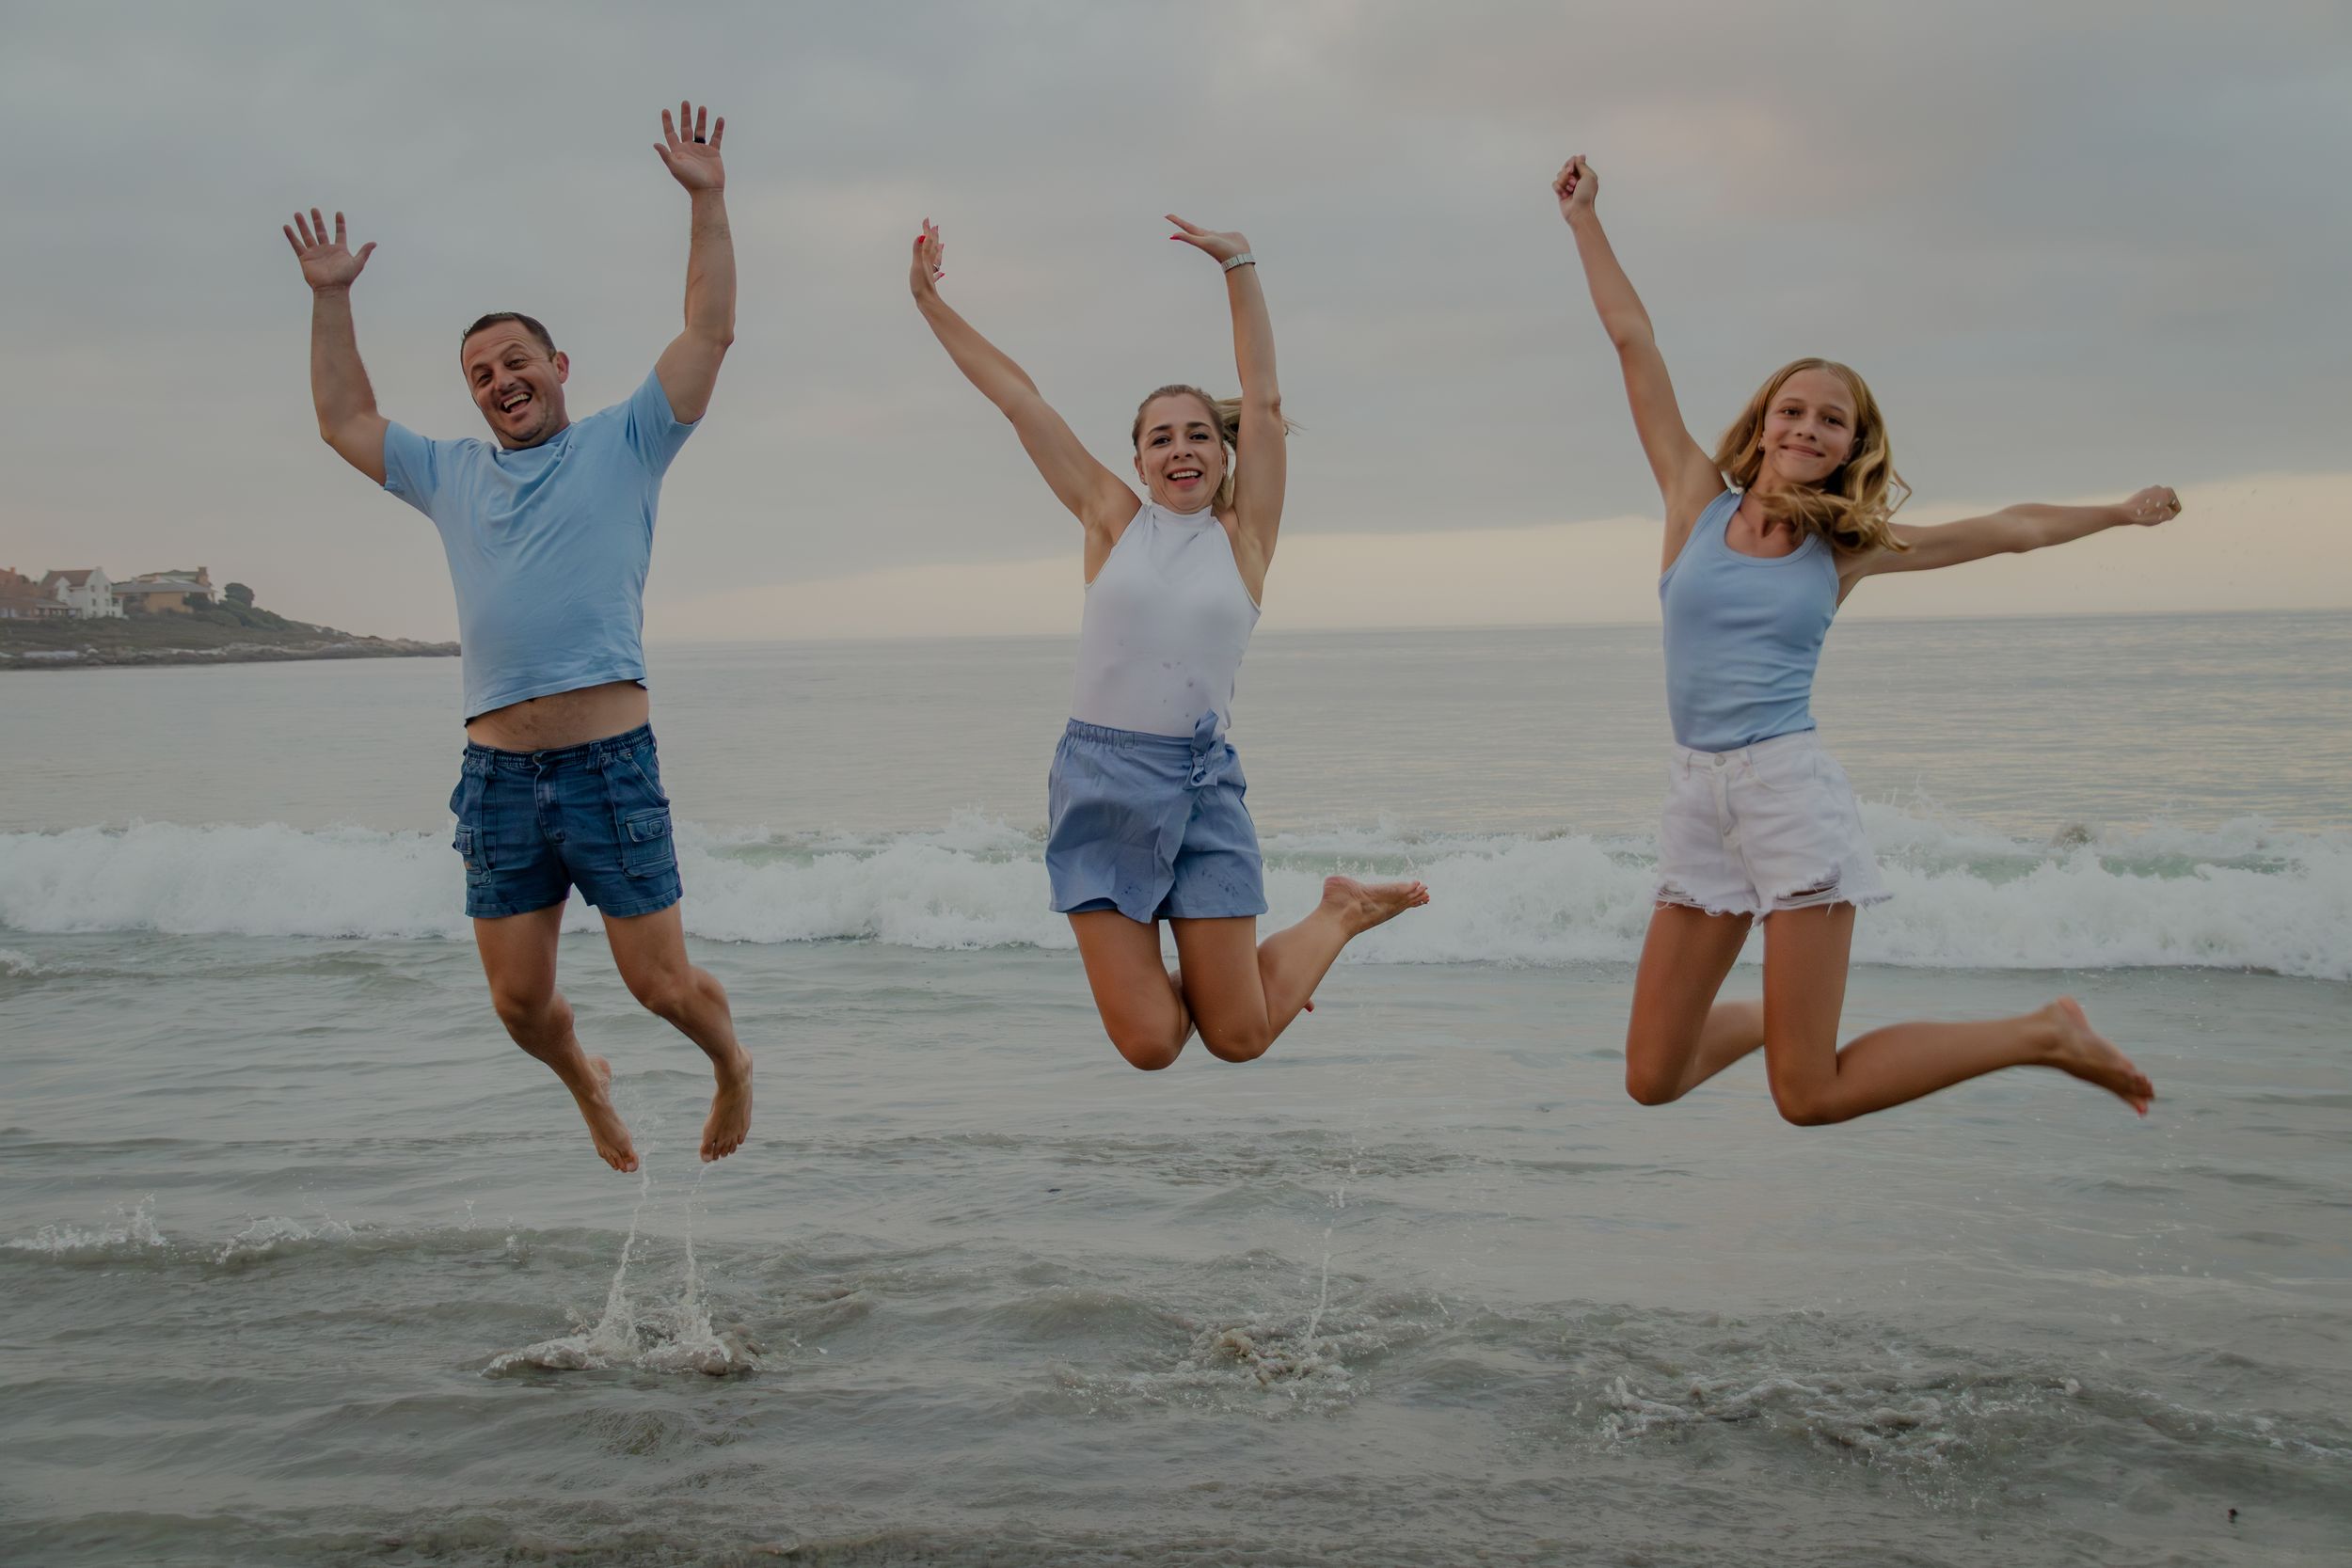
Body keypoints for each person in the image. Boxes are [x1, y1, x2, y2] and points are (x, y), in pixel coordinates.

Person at [1553, 153, 2177, 1124]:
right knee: (1651, 1076)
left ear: (1851, 446)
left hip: (1788, 798)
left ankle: (2042, 1032)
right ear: (1762, 424)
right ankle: (1792, 1010)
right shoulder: (1690, 499)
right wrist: (1585, 220)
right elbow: (1632, 341)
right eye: (1792, 410)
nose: (1807, 426)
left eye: (1830, 419)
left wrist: (2118, 513)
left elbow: (2006, 528)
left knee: (1808, 1093)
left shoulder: (1845, 550)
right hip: (1696, 798)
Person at [282, 103, 751, 1171]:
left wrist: (708, 200)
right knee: (518, 1003)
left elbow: (709, 329)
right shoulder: (451, 473)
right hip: (495, 776)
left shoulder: (626, 441)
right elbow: (344, 419)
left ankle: (731, 1064)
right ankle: (585, 1079)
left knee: (662, 985)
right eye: (481, 373)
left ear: (558, 364)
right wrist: (332, 300)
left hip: (607, 765)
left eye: (515, 361)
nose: (500, 381)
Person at [909, 215, 1428, 1069]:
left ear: (1224, 457)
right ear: (1141, 461)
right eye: (1161, 438)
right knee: (1152, 1043)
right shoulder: (1111, 518)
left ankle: (1339, 909)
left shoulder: (1247, 539)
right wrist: (930, 302)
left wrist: (1239, 263)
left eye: (1198, 436)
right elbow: (1019, 398)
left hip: (1202, 782)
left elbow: (1260, 399)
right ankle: (1260, 958)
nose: (1181, 449)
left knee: (1241, 1036)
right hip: (1101, 784)